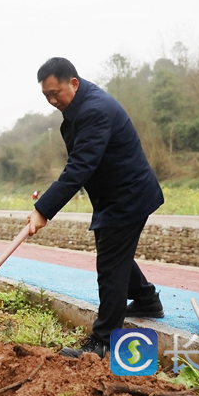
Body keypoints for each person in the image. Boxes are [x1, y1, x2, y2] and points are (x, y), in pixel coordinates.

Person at [26, 57, 165, 359]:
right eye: (46, 95)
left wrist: (43, 210)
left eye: (55, 93)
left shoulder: (95, 110)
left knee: (110, 265)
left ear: (73, 83)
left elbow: (79, 166)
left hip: (129, 195)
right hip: (113, 196)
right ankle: (147, 300)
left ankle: (103, 342)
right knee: (113, 253)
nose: (52, 101)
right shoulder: (80, 106)